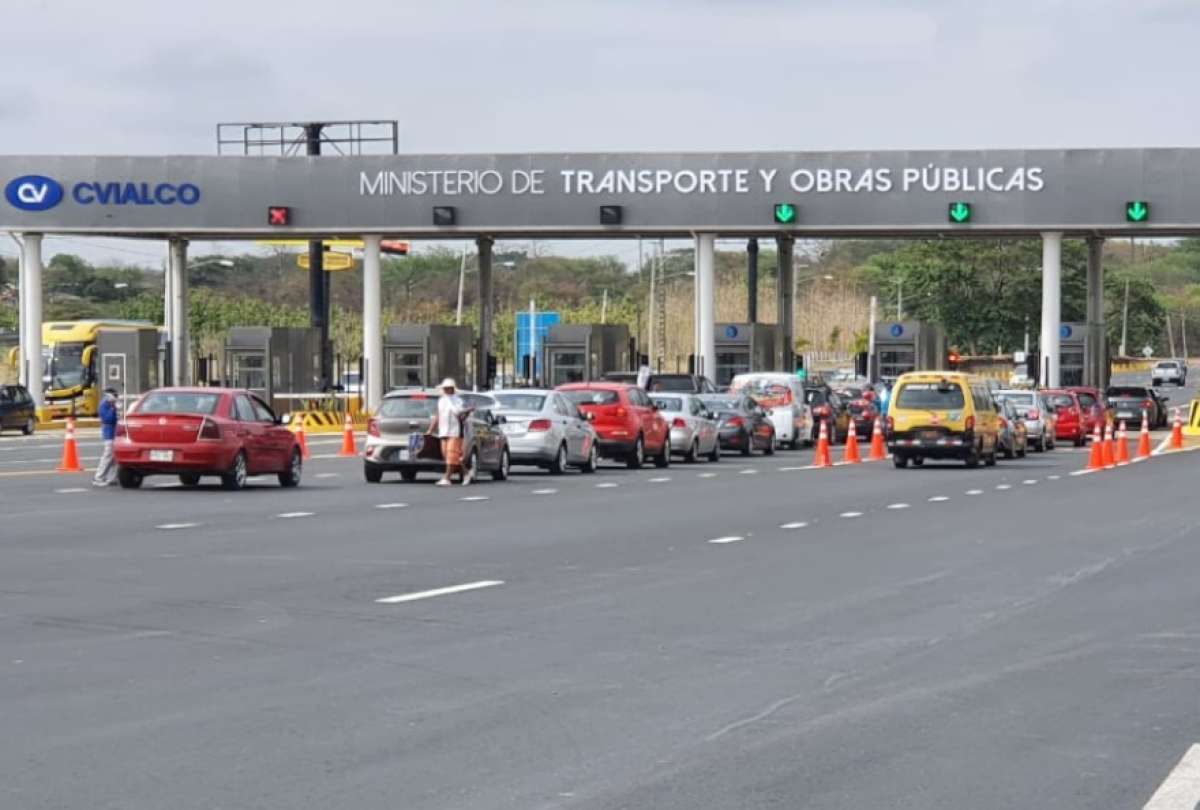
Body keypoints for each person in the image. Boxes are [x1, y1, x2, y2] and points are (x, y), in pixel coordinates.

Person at [431, 378, 474, 487]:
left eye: (449, 388)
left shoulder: (457, 400)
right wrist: (431, 429)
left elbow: (459, 413)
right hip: (443, 430)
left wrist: (467, 411)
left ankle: (447, 478)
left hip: (455, 430)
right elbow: (438, 415)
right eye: (446, 388)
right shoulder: (441, 400)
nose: (447, 390)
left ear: (453, 389)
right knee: (447, 454)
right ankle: (466, 473)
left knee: (451, 454)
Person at [92, 388, 120, 487]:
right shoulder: (104, 404)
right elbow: (108, 419)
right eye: (114, 395)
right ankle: (98, 477)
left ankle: (113, 478)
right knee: (108, 456)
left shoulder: (113, 404)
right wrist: (113, 408)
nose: (116, 397)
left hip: (115, 433)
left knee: (115, 458)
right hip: (109, 434)